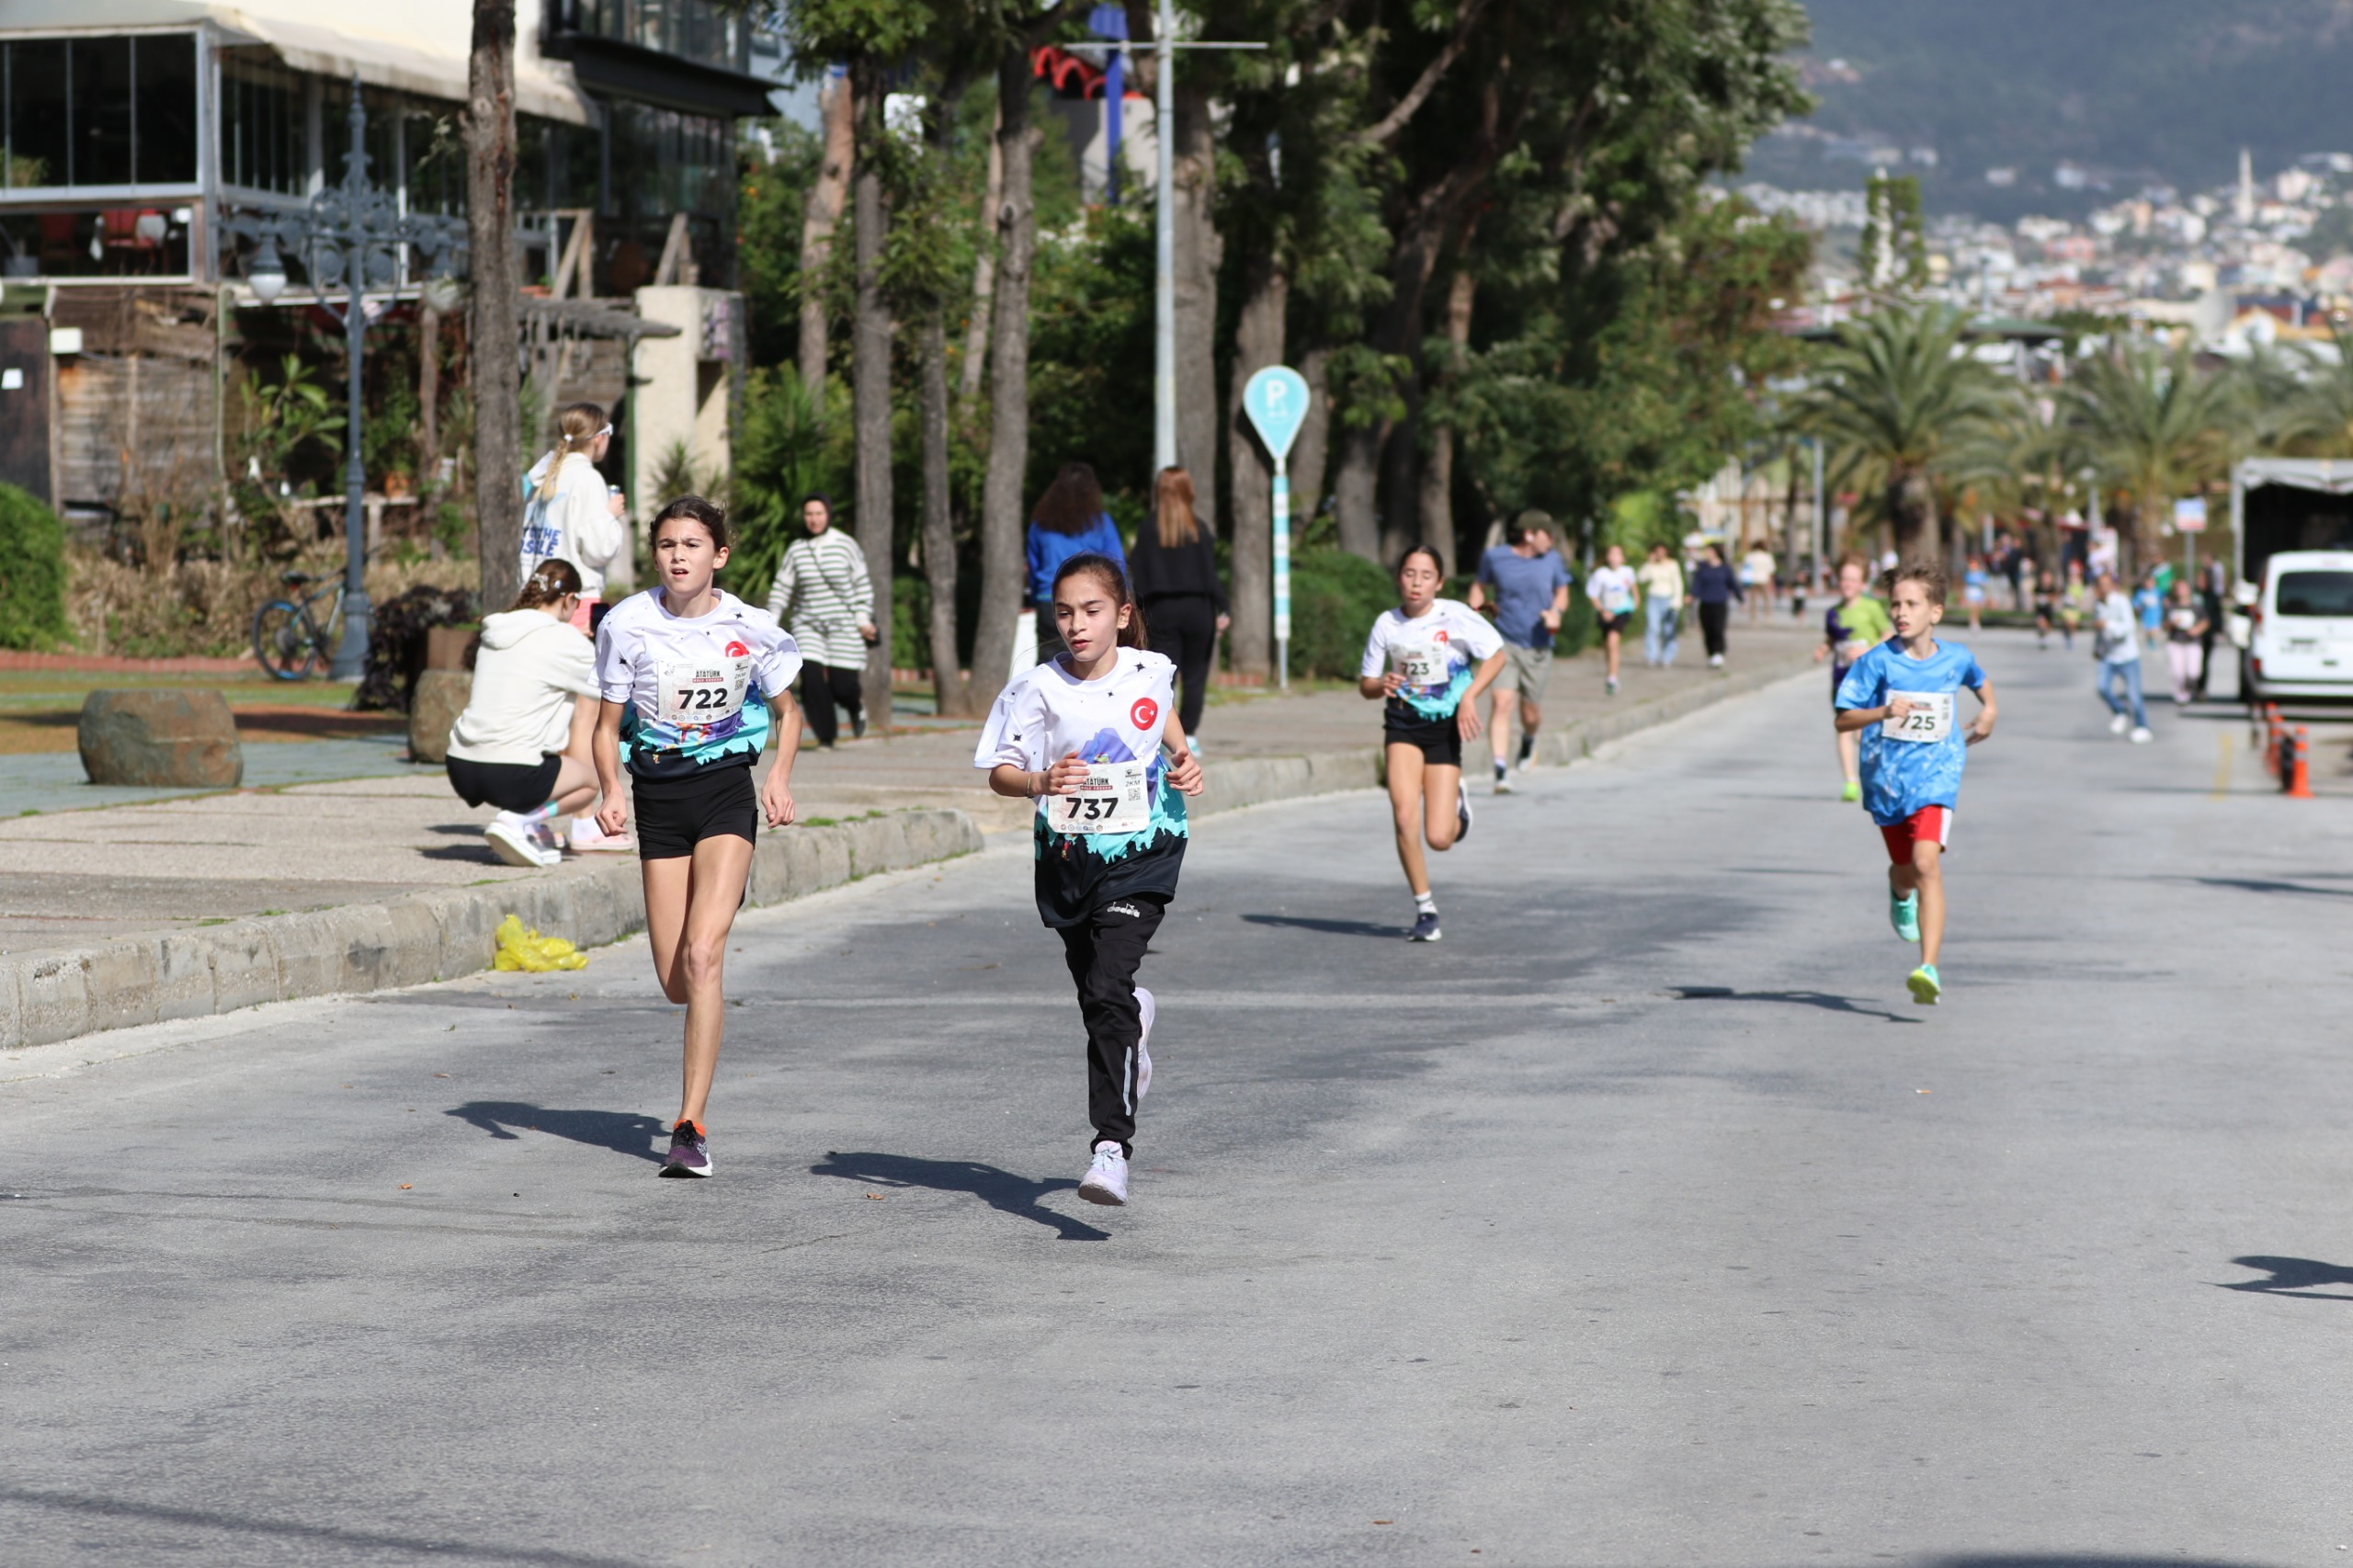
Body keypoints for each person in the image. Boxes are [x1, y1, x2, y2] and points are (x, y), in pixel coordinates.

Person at [976, 552, 1205, 1209]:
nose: (1077, 624)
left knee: (1107, 987)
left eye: (1092, 611)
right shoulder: (1035, 688)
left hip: (1145, 848)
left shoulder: (1150, 669)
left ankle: (1111, 1148)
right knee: (1100, 1000)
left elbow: (1161, 713)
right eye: (1065, 613)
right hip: (1070, 860)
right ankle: (1132, 1023)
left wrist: (1184, 757)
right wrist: (1040, 779)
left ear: (1122, 615)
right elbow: (999, 773)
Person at [592, 496, 805, 1178]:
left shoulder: (751, 627)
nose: (678, 555)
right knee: (676, 981)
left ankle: (690, 1127)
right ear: (654, 555)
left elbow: (789, 712)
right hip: (658, 798)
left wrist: (778, 777)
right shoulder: (626, 624)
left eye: (692, 544)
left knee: (704, 954)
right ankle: (697, 989)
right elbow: (605, 727)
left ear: (720, 555)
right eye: (666, 544)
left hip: (724, 793)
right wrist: (610, 788)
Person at [1834, 560, 1998, 1006]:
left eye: (1912, 604)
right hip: (1888, 781)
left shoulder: (1955, 658)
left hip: (1938, 775)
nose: (1901, 612)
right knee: (1906, 869)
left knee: (1927, 864)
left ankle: (1928, 968)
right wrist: (1883, 712)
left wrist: (1989, 710)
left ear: (1935, 612)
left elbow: (1980, 682)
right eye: (1896, 604)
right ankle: (1898, 890)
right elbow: (1843, 719)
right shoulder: (1877, 662)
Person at [1359, 545, 1506, 943]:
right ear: (1399, 578)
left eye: (1426, 576)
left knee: (1440, 838)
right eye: (1409, 573)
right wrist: (1382, 683)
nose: (1416, 583)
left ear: (1439, 583)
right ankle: (1425, 909)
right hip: (1403, 723)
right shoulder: (1387, 623)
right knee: (1404, 815)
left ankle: (1458, 803)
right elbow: (1366, 685)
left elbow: (1497, 657)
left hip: (1444, 727)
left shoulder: (1455, 615)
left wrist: (1470, 697)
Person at [445, 558, 620, 867]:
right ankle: (518, 821)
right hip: (512, 773)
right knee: (589, 782)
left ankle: (526, 830)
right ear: (569, 599)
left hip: (461, 766)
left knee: (538, 757)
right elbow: (610, 686)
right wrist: (595, 646)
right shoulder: (564, 639)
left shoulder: (497, 630)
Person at [764, 492, 876, 748]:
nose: (813, 519)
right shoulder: (797, 549)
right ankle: (826, 737)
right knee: (812, 679)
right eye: (809, 514)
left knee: (843, 685)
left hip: (843, 624)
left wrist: (863, 619)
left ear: (828, 515)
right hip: (808, 624)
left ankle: (854, 704)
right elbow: (782, 587)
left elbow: (862, 584)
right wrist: (771, 621)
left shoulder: (845, 545)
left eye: (818, 513)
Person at [1128, 465, 1229, 747]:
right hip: (1198, 609)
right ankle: (1190, 735)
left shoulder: (1149, 529)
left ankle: (1162, 735)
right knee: (1196, 676)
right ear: (1188, 491)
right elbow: (1210, 575)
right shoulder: (1199, 529)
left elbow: (1137, 575)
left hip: (1162, 610)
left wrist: (1137, 609)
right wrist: (1224, 607)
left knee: (1161, 676)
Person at [1469, 512, 1570, 792]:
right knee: (1502, 703)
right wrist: (1473, 613)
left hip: (1538, 645)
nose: (1551, 540)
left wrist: (1556, 612)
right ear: (1529, 534)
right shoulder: (1495, 557)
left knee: (1531, 712)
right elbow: (1479, 586)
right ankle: (1500, 770)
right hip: (1505, 641)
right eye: (1547, 534)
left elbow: (1562, 591)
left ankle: (1529, 738)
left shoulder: (1552, 560)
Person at [520, 403, 628, 631]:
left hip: (534, 596)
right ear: (598, 438)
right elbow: (598, 549)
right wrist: (610, 516)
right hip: (573, 600)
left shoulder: (543, 475)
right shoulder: (588, 479)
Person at [1813, 557, 1895, 802]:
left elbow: (1888, 634)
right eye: (1844, 578)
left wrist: (1867, 651)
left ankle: (1881, 773)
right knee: (1844, 726)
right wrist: (1823, 649)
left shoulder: (1871, 608)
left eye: (1853, 579)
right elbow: (1833, 639)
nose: (1847, 584)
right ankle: (1850, 781)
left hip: (1868, 679)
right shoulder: (1833, 613)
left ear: (1862, 583)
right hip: (1841, 678)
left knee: (1862, 732)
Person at [1025, 462, 1126, 663]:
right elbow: (1116, 565)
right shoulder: (1100, 522)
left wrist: (1037, 596)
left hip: (1050, 600)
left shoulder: (1041, 524)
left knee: (1049, 664)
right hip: (1091, 602)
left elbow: (1034, 566)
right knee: (1092, 663)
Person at [2092, 570, 2153, 743]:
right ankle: (2120, 711)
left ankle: (2142, 726)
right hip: (2108, 656)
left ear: (2112, 586)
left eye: (2106, 584)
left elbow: (2129, 627)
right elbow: (2099, 630)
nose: (2103, 588)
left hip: (2127, 656)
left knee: (2134, 695)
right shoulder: (2098, 605)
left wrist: (2108, 625)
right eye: (2100, 585)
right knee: (2102, 688)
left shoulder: (2121, 602)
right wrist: (2097, 647)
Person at [1586, 543, 1639, 696]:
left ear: (1623, 558)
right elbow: (1593, 595)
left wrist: (1634, 605)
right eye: (1611, 554)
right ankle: (1611, 672)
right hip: (1606, 612)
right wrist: (1602, 610)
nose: (1614, 558)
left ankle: (1612, 678)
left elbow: (1634, 590)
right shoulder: (1600, 574)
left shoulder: (1628, 571)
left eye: (1617, 554)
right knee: (1608, 646)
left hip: (1622, 611)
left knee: (1612, 641)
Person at [1689, 541, 1743, 667]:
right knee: (1707, 631)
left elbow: (1733, 585)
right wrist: (1691, 595)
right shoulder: (1702, 568)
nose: (1707, 554)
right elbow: (1697, 585)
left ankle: (1719, 653)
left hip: (1720, 603)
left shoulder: (1725, 569)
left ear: (1716, 552)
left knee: (1718, 629)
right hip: (1705, 602)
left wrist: (1741, 599)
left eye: (1710, 551)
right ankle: (1711, 654)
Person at [2163, 577, 2210, 705]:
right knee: (2177, 672)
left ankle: (2189, 688)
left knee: (2193, 671)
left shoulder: (2196, 607)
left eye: (2183, 588)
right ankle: (2181, 695)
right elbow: (2164, 625)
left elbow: (2205, 621)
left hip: (2192, 642)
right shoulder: (2171, 606)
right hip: (2176, 641)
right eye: (2179, 588)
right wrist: (2172, 624)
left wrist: (2197, 630)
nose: (2181, 591)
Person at [1638, 543, 1685, 667]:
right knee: (1652, 627)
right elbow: (1641, 578)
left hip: (1668, 599)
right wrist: (1649, 563)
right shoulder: (1652, 565)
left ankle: (1667, 657)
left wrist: (1676, 601)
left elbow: (1677, 584)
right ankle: (1651, 656)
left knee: (1668, 629)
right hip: (1653, 598)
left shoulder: (1673, 564)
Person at [2194, 559, 2226, 701]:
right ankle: (2192, 686)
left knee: (2204, 663)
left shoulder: (2212, 597)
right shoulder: (2193, 596)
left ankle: (2201, 689)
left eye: (2203, 579)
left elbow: (2217, 616)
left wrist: (2217, 630)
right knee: (2193, 663)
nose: (2200, 581)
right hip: (2191, 636)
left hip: (2206, 635)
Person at [1740, 541, 1776, 623]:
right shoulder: (1767, 556)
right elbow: (1771, 570)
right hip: (1764, 579)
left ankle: (1754, 618)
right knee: (1766, 599)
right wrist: (1771, 582)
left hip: (1752, 579)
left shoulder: (1750, 556)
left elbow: (1746, 568)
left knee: (1753, 600)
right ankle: (1768, 616)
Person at [2060, 560, 2087, 649]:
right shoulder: (2068, 583)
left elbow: (2080, 597)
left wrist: (2076, 600)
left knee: (2073, 624)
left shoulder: (2079, 584)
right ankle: (2067, 633)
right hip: (2068, 607)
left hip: (2074, 607)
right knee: (2068, 621)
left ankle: (2070, 636)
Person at [1962, 555, 1988, 631]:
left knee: (1977, 609)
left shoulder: (1981, 574)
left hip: (1978, 592)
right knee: (1972, 608)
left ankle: (1977, 622)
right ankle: (1972, 623)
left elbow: (1985, 583)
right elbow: (1967, 583)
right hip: (1971, 592)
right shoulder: (1968, 574)